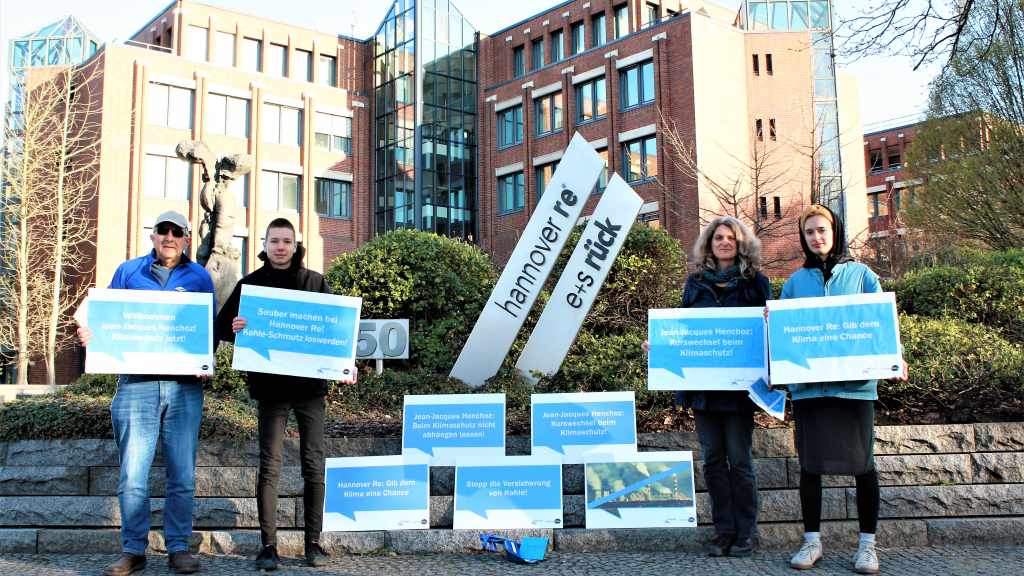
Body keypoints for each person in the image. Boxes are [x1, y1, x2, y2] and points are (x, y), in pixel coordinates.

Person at [78, 211, 213, 576]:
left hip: (183, 388)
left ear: (186, 238)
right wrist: (90, 333)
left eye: (176, 232)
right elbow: (101, 317)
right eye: (162, 231)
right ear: (153, 236)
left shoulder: (199, 277)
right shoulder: (128, 272)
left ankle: (178, 548)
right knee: (133, 475)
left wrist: (206, 359)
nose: (169, 237)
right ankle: (133, 550)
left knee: (182, 475)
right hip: (135, 385)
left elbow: (208, 328)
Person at [215, 218, 344, 571]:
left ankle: (313, 544)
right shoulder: (250, 285)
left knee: (313, 464)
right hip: (270, 390)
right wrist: (235, 328)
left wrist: (345, 365)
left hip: (310, 389)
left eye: (286, 241)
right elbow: (223, 328)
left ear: (295, 244)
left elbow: (335, 331)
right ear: (265, 244)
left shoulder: (315, 283)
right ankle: (268, 546)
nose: (281, 247)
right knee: (269, 466)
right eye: (274, 240)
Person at [780, 204, 901, 575]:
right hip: (809, 390)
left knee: (863, 466)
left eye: (822, 230)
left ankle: (867, 546)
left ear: (835, 231)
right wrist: (773, 323)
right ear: (803, 237)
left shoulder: (862, 275)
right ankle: (811, 541)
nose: (817, 237)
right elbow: (783, 335)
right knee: (810, 467)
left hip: (855, 389)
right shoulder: (794, 283)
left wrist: (895, 357)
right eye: (810, 232)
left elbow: (882, 324)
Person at [677, 216, 769, 557]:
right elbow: (683, 331)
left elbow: (768, 333)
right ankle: (723, 531)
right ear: (709, 244)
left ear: (741, 243)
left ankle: (747, 533)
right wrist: (660, 346)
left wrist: (771, 323)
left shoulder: (756, 283)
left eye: (731, 237)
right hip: (704, 391)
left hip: (740, 392)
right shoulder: (695, 283)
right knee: (713, 460)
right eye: (718, 238)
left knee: (740, 461)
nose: (725, 242)